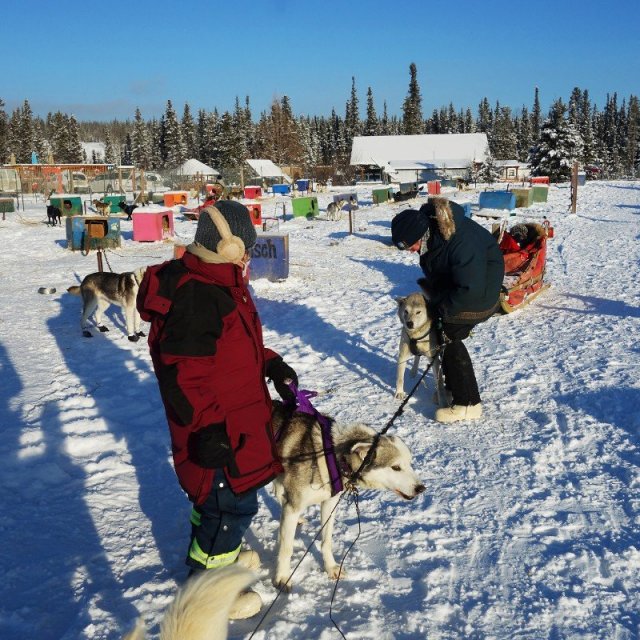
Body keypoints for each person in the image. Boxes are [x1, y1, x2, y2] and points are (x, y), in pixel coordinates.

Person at [137, 200, 298, 619]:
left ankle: (218, 553)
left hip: (237, 417)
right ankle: (205, 591)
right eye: (244, 242)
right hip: (217, 429)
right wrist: (208, 432)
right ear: (225, 244)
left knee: (218, 504)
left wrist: (271, 362)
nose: (248, 250)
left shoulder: (219, 283)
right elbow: (183, 375)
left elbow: (235, 349)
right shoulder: (198, 295)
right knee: (228, 505)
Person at [391, 197, 504, 423]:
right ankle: (452, 389)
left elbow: (470, 287)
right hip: (461, 289)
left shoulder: (461, 242)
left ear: (419, 235)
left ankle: (467, 403)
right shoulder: (432, 236)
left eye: (410, 246)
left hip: (480, 294)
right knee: (440, 330)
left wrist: (441, 307)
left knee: (449, 334)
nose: (411, 252)